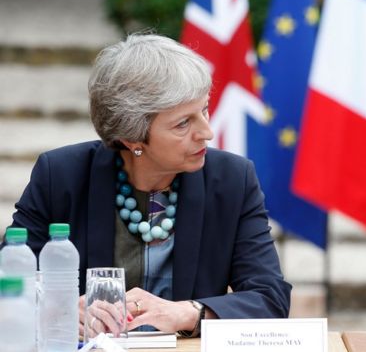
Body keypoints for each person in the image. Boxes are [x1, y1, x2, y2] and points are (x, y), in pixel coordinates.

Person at [4, 34, 291, 337]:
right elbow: (8, 281)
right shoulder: (61, 176)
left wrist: (189, 312)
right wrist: (54, 306)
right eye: (183, 123)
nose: (207, 132)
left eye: (204, 110)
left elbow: (270, 298)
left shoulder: (232, 180)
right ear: (132, 138)